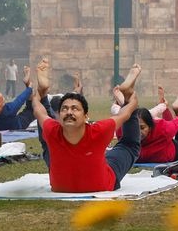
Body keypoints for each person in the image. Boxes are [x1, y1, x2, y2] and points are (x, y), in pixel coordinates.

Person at [31, 61, 145, 193]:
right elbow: (124, 114)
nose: (69, 112)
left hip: (61, 187)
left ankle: (44, 94)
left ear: (85, 116)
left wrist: (40, 93)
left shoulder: (53, 130)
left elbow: (39, 112)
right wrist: (131, 100)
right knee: (130, 145)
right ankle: (127, 92)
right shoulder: (98, 131)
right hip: (101, 185)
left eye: (74, 109)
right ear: (87, 116)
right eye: (65, 109)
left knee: (47, 143)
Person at [137, 87, 178, 163]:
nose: (138, 132)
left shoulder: (162, 129)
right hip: (167, 142)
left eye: (142, 128)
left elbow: (176, 123)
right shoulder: (126, 134)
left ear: (150, 127)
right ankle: (172, 108)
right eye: (135, 128)